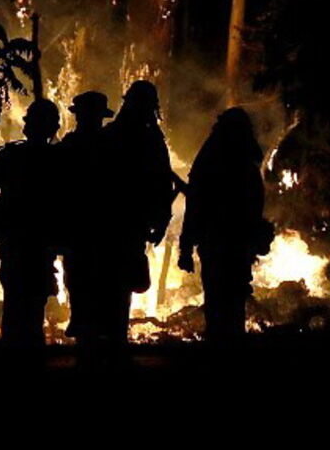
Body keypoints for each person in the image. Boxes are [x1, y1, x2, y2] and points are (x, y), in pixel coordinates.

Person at [178, 107, 267, 341]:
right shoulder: (243, 163)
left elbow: (195, 205)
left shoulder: (212, 161)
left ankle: (221, 348)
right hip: (229, 244)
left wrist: (186, 248)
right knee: (229, 302)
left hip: (222, 243)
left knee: (221, 301)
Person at [98, 81, 174, 344]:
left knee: (113, 286)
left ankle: (107, 342)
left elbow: (163, 184)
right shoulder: (149, 139)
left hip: (118, 225)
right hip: (122, 224)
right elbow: (163, 184)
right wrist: (161, 220)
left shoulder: (114, 135)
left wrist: (161, 219)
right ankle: (112, 342)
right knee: (117, 288)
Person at [0, 99, 61, 346]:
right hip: (36, 245)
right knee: (30, 312)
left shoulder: (13, 156)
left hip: (21, 244)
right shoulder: (58, 161)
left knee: (17, 309)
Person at [55, 91, 114, 342]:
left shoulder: (68, 148)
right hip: (94, 230)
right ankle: (91, 328)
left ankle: (85, 326)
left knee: (82, 281)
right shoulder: (112, 148)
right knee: (92, 281)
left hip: (85, 230)